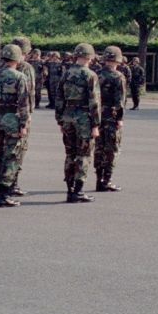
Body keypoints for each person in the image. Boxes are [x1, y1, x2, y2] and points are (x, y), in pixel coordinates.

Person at [0, 44, 32, 207]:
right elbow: (23, 103)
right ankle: (3, 195)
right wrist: (24, 124)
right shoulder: (19, 77)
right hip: (13, 119)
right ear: (17, 58)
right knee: (11, 157)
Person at [56, 43, 101, 203]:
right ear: (90, 57)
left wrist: (60, 120)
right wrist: (96, 124)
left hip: (67, 116)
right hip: (83, 118)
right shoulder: (90, 75)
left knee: (70, 154)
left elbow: (59, 98)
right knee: (84, 154)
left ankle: (69, 189)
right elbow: (94, 102)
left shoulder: (66, 73)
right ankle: (78, 190)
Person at [95, 46, 126, 191]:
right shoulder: (118, 77)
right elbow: (119, 101)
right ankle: (106, 180)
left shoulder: (96, 74)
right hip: (111, 117)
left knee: (98, 148)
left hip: (97, 116)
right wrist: (120, 119)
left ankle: (98, 178)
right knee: (111, 149)